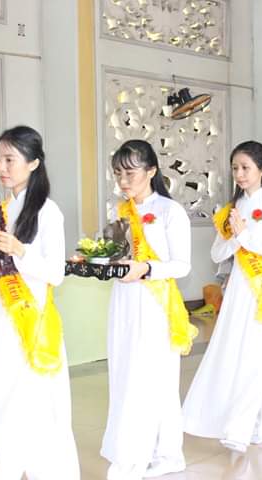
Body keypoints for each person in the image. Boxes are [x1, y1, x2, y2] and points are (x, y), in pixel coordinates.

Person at [0, 126, 80, 479]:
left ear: (34, 163)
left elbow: (55, 273)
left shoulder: (47, 211)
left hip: (32, 319)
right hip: (2, 317)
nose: (1, 167)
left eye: (10, 159)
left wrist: (20, 250)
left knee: (33, 399)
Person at [183, 141, 262, 453]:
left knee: (261, 357)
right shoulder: (230, 210)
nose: (240, 174)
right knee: (237, 355)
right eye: (235, 168)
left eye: (245, 167)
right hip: (238, 293)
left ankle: (240, 428)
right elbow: (217, 253)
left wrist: (247, 236)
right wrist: (234, 239)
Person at [100, 139, 196, 480]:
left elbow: (182, 265)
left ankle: (138, 459)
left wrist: (147, 269)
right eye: (117, 173)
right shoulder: (121, 211)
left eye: (130, 173)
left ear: (151, 171)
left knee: (152, 381)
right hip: (124, 302)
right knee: (125, 376)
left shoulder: (170, 211)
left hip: (156, 305)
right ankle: (162, 454)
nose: (123, 180)